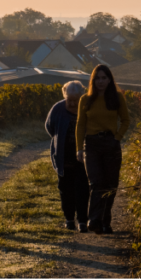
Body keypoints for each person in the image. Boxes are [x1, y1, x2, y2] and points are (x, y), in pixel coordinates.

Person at [76, 64, 130, 235]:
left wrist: (117, 137)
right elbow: (80, 125)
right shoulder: (85, 99)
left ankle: (105, 222)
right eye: (97, 78)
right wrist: (79, 149)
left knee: (111, 185)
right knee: (97, 183)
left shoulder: (117, 98)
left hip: (111, 144)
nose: (100, 81)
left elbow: (126, 120)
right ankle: (94, 220)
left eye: (104, 78)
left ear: (109, 80)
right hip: (92, 145)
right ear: (93, 80)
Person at [45, 81, 90, 233]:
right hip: (63, 157)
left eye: (74, 100)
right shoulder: (58, 108)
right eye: (69, 99)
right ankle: (69, 219)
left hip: (83, 157)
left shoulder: (86, 108)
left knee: (82, 189)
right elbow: (49, 126)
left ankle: (83, 221)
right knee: (65, 189)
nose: (71, 103)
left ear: (81, 97)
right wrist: (59, 139)